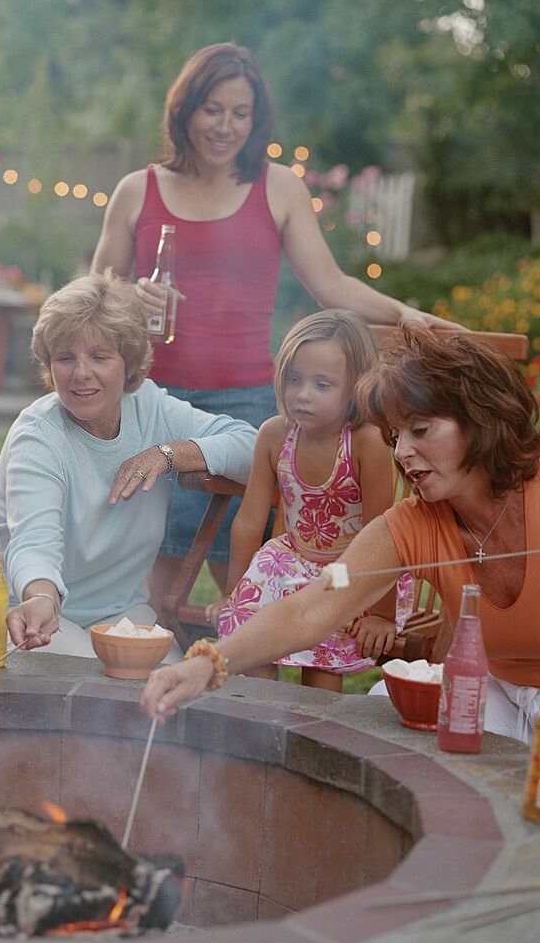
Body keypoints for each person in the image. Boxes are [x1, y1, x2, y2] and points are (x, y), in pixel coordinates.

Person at [91, 41, 459, 608]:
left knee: (242, 573)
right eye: (213, 109)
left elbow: (331, 286)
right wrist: (128, 298)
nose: (226, 126)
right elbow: (96, 295)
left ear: (256, 119)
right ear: (184, 110)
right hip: (153, 398)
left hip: (247, 403)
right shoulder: (137, 189)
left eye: (241, 113)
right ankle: (159, 676)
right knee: (160, 573)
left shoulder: (278, 186)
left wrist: (403, 313)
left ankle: (238, 679)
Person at [141, 325, 540, 744]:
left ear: (480, 421)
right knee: (387, 732)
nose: (402, 452)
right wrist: (208, 662)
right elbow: (313, 607)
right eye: (395, 436)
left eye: (419, 431)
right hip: (493, 690)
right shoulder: (412, 525)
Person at [0, 270, 257, 657]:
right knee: (99, 690)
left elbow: (253, 446)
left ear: (129, 361)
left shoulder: (150, 407)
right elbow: (33, 542)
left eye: (99, 357)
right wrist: (41, 597)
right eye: (65, 358)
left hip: (121, 612)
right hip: (25, 614)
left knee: (175, 692)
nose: (81, 373)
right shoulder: (37, 435)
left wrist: (169, 454)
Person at [211, 310, 413, 691]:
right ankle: (259, 722)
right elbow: (250, 522)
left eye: (322, 384)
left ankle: (310, 734)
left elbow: (383, 533)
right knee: (252, 639)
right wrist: (233, 596)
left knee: (320, 666)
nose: (303, 394)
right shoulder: (274, 435)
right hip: (291, 563)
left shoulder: (365, 441)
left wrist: (382, 616)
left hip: (348, 571)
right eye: (294, 380)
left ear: (356, 387)